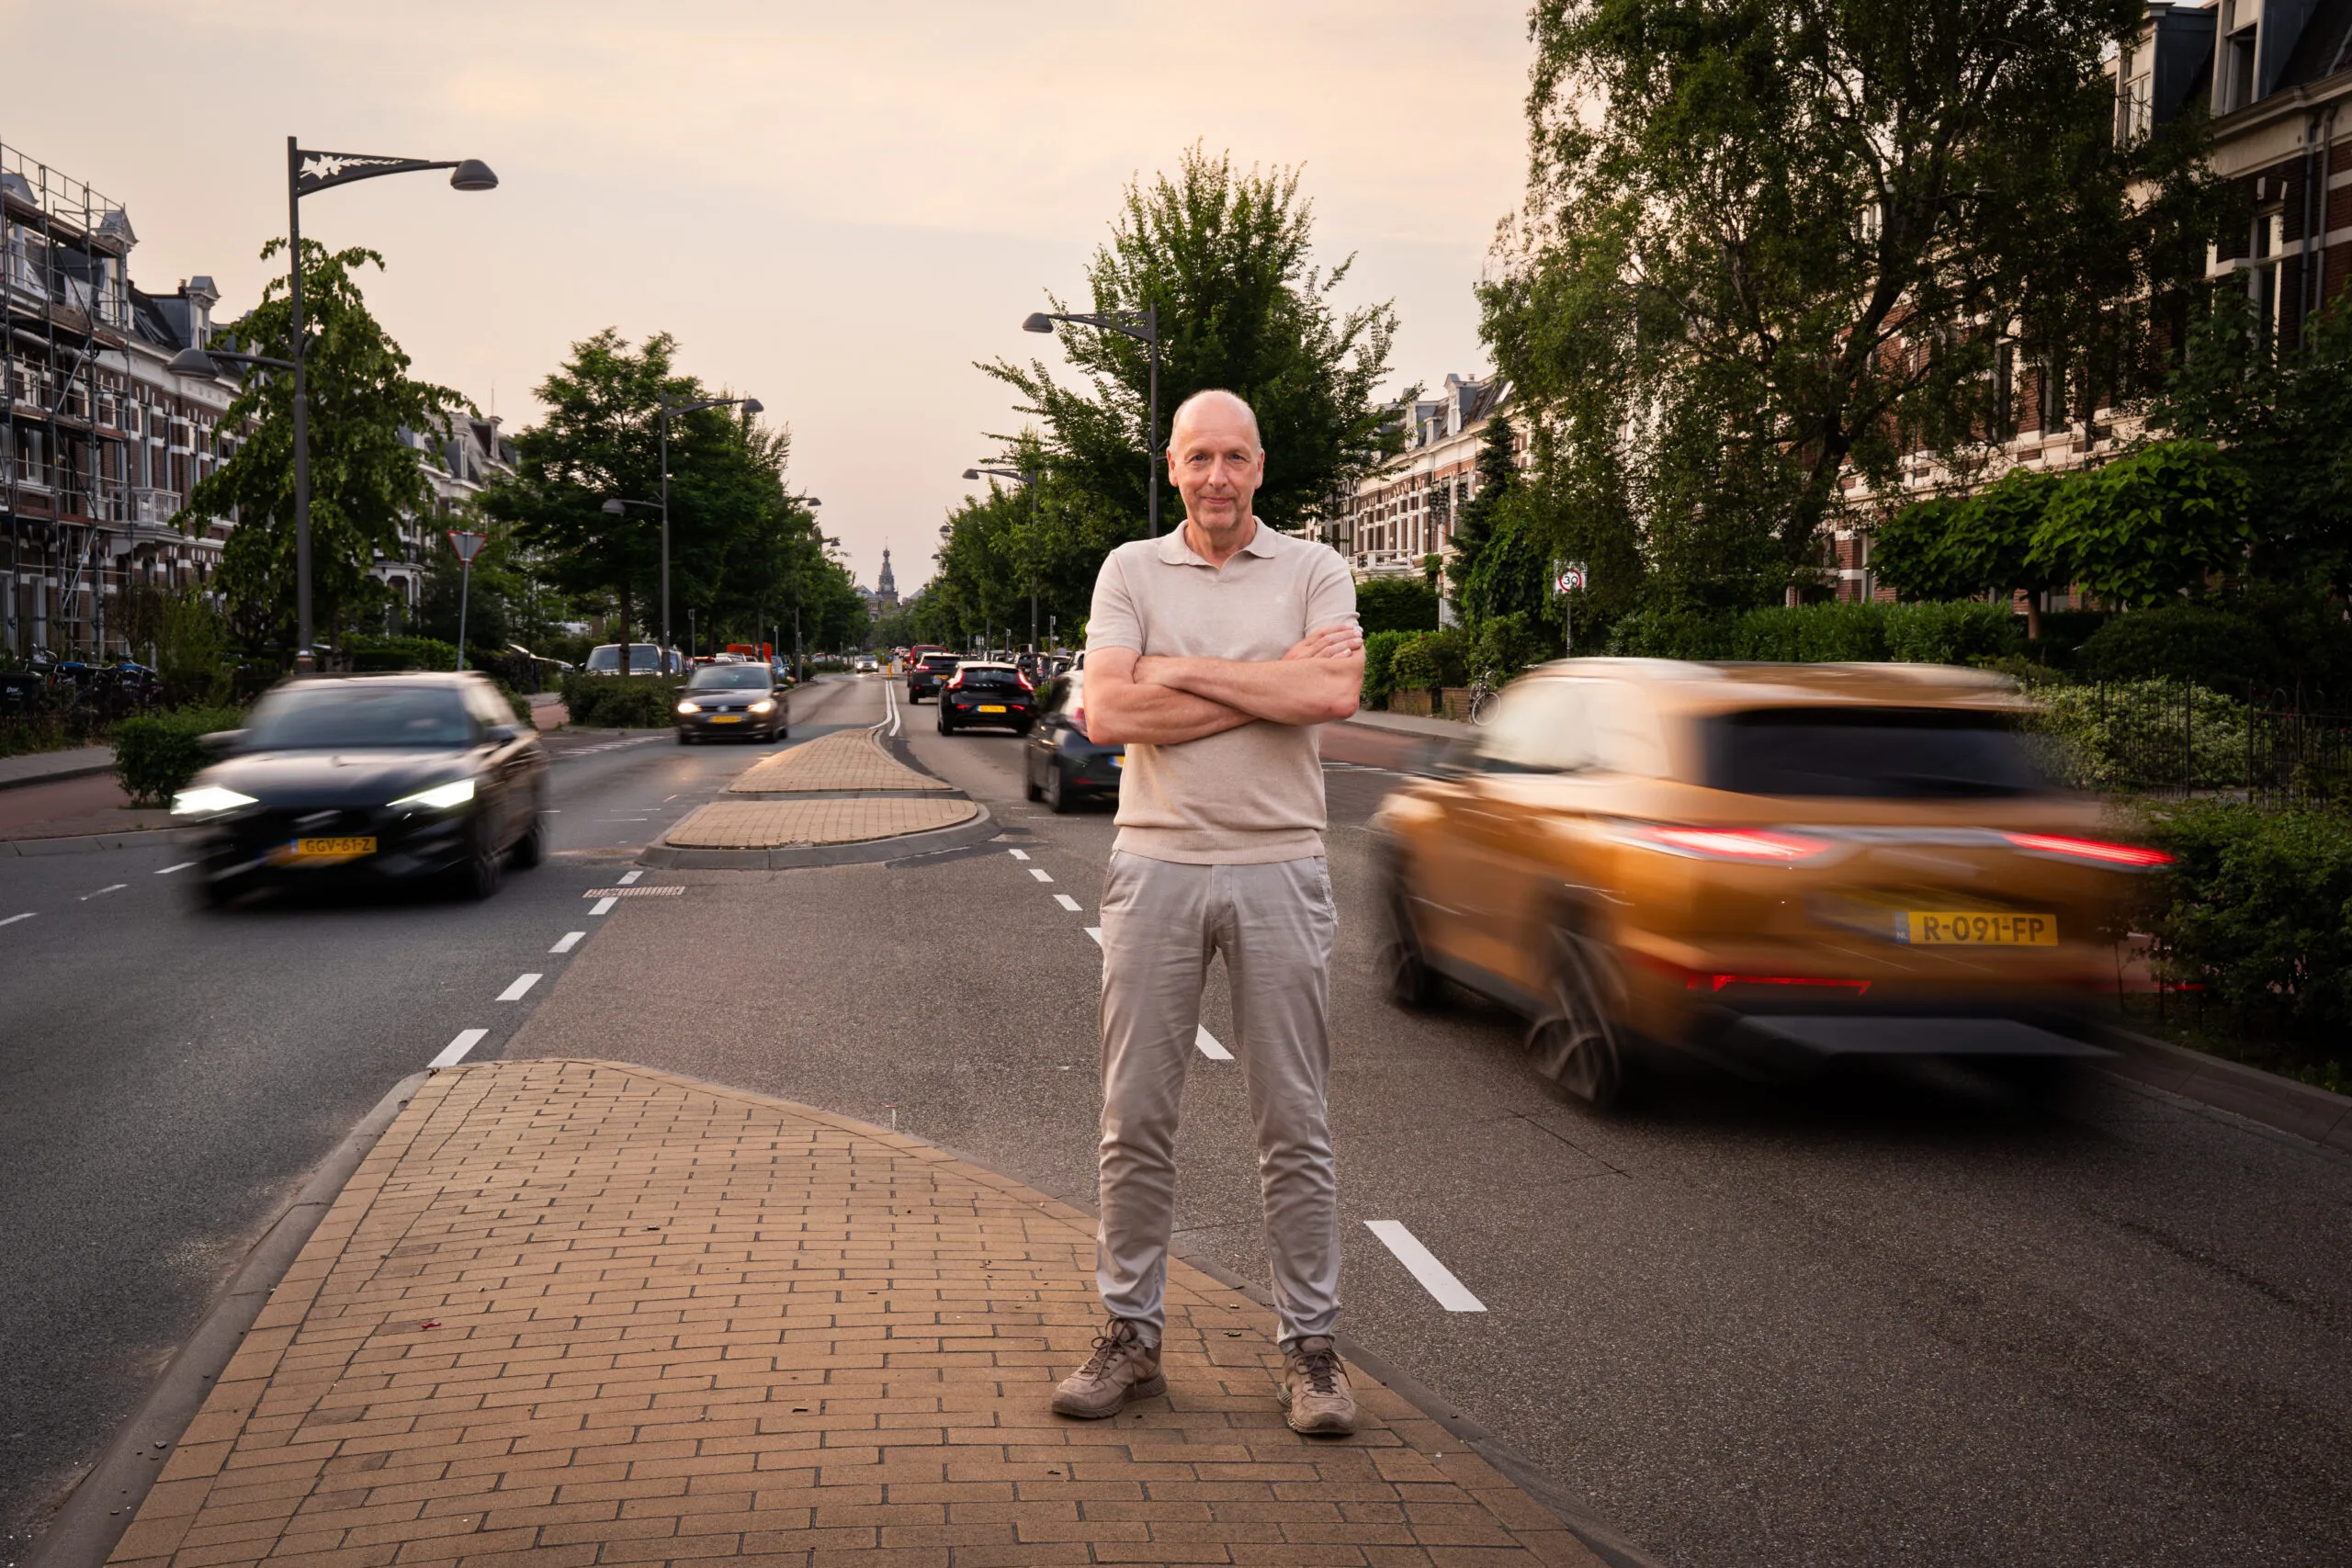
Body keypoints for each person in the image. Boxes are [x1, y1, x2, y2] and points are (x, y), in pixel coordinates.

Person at [1049, 388, 1366, 1436]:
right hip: (1156, 865)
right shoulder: (1129, 570)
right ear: (1173, 466)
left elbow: (1329, 698)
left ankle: (1310, 1352)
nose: (1218, 477)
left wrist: (1172, 672)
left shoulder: (1316, 568)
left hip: (1281, 864)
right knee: (1134, 1116)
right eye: (1199, 459)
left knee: (1294, 1121)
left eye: (1235, 458)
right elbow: (1106, 711)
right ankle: (1130, 1339)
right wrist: (1259, 677)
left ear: (1260, 468)